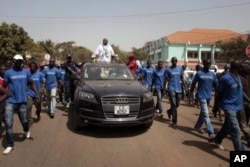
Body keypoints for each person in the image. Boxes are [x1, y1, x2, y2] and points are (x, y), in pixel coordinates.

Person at [2, 54, 40, 155]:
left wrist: (37, 94)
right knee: (8, 123)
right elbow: (4, 85)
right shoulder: (8, 73)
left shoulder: (26, 72)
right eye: (17, 61)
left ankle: (26, 130)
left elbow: (31, 83)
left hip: (22, 101)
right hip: (10, 101)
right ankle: (10, 145)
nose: (19, 63)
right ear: (13, 61)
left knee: (24, 121)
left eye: (20, 61)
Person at [213, 60, 245, 151]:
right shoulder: (225, 78)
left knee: (227, 127)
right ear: (236, 68)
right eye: (240, 66)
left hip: (238, 106)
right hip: (229, 107)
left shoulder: (238, 76)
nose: (242, 68)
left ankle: (217, 139)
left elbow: (240, 90)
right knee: (236, 131)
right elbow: (218, 93)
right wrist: (216, 107)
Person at [190, 59, 217, 140]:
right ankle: (211, 133)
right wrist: (191, 94)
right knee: (206, 114)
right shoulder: (199, 73)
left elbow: (216, 84)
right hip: (201, 96)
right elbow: (193, 84)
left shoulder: (212, 74)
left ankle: (197, 126)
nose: (208, 64)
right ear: (204, 64)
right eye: (207, 63)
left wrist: (217, 93)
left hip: (209, 96)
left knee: (203, 113)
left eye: (209, 63)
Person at [165, 57, 186, 125]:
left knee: (177, 104)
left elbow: (182, 78)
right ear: (171, 61)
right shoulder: (168, 69)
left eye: (175, 61)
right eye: (173, 61)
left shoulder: (180, 68)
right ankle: (174, 120)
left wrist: (185, 86)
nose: (174, 62)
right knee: (173, 104)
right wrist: (164, 88)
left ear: (176, 61)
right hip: (171, 88)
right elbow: (165, 79)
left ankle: (169, 111)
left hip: (178, 88)